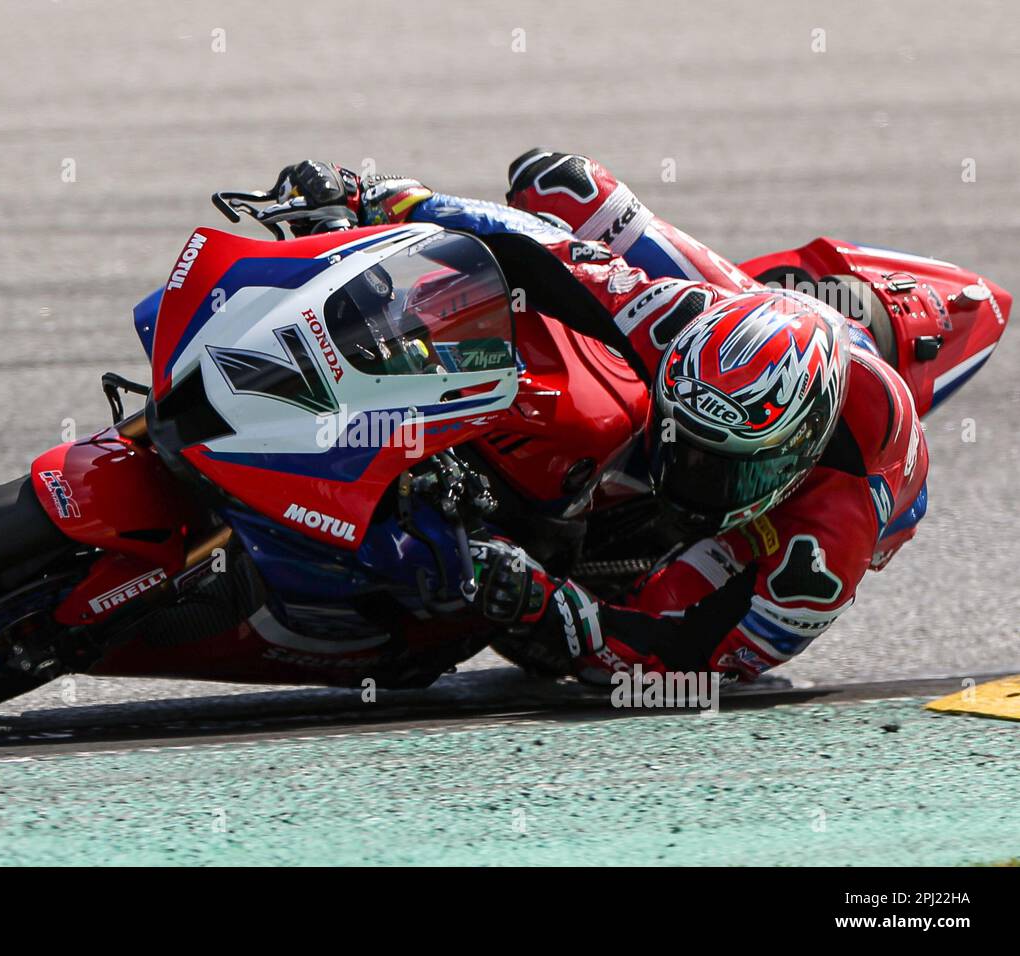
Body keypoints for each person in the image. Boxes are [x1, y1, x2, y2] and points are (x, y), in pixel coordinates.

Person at [269, 153, 928, 684]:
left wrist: (549, 608)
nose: (680, 472)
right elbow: (555, 256)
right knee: (558, 183)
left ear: (788, 465)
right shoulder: (677, 321)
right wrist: (381, 201)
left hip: (844, 477)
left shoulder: (823, 547)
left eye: (712, 468)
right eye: (679, 439)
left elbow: (678, 660)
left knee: (635, 633)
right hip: (751, 312)